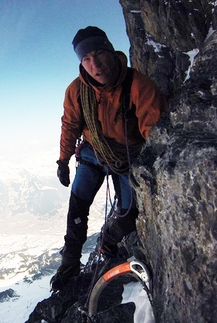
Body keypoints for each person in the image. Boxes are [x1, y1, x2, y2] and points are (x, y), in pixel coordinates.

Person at [51, 26, 167, 291]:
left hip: (128, 158)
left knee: (128, 215)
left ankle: (110, 243)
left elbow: (154, 130)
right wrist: (62, 160)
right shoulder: (77, 91)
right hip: (93, 153)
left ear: (111, 52)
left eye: (99, 54)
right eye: (86, 59)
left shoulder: (137, 86)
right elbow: (70, 125)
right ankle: (69, 263)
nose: (95, 65)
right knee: (77, 208)